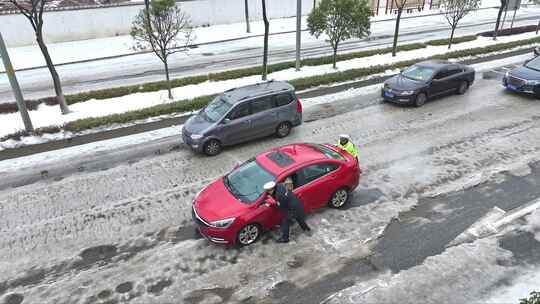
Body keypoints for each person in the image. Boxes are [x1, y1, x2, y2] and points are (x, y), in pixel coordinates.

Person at [264, 178, 311, 243]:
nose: (268, 192)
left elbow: (281, 207)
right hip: (297, 204)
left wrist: (271, 204)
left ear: (272, 189)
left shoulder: (279, 196)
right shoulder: (280, 185)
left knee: (285, 222)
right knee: (299, 217)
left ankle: (285, 238)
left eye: (268, 191)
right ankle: (307, 229)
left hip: (292, 209)